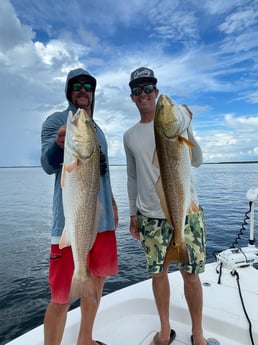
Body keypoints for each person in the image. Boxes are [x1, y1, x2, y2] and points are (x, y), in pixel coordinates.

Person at [123, 67, 219, 345]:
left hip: (187, 212)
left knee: (191, 275)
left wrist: (187, 124)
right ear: (132, 97)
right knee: (158, 274)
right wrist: (132, 213)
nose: (145, 94)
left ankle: (197, 332)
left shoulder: (178, 125)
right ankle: (165, 330)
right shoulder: (130, 136)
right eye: (138, 90)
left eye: (149, 88)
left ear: (155, 90)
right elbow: (132, 176)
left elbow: (197, 159)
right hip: (150, 217)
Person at [41, 67, 118, 345]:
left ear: (93, 92)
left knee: (96, 282)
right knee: (61, 296)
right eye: (77, 85)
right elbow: (48, 164)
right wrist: (58, 146)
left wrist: (112, 202)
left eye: (88, 85)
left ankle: (85, 339)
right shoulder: (58, 121)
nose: (83, 89)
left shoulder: (98, 130)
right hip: (70, 221)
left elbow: (103, 173)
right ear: (69, 91)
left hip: (103, 220)